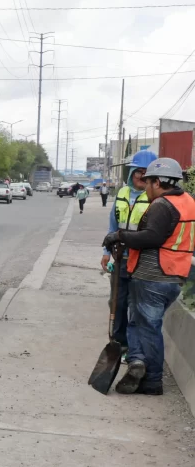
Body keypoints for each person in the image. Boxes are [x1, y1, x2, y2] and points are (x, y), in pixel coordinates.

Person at [102, 158, 195, 396]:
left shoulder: (162, 205)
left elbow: (152, 237)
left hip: (154, 275)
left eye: (148, 181)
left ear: (157, 182)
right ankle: (137, 362)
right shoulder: (188, 202)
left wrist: (119, 236)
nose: (145, 187)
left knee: (149, 328)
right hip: (174, 275)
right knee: (138, 323)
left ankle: (152, 380)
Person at [100, 150, 155, 356]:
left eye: (145, 172)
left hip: (142, 261)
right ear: (131, 172)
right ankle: (118, 344)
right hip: (120, 258)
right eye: (138, 171)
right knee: (117, 303)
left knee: (137, 306)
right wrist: (107, 251)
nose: (141, 176)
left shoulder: (155, 198)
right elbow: (113, 225)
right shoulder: (122, 194)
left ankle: (135, 350)